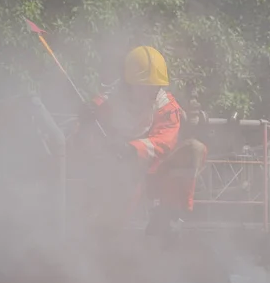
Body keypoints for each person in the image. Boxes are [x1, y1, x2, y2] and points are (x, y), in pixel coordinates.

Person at [78, 46, 207, 240]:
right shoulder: (107, 103)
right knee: (107, 231)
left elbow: (165, 141)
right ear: (130, 84)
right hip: (118, 173)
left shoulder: (166, 106)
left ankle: (168, 215)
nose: (153, 91)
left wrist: (132, 149)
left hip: (157, 171)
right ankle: (104, 230)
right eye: (147, 86)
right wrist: (85, 118)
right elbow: (83, 141)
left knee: (195, 150)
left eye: (156, 85)